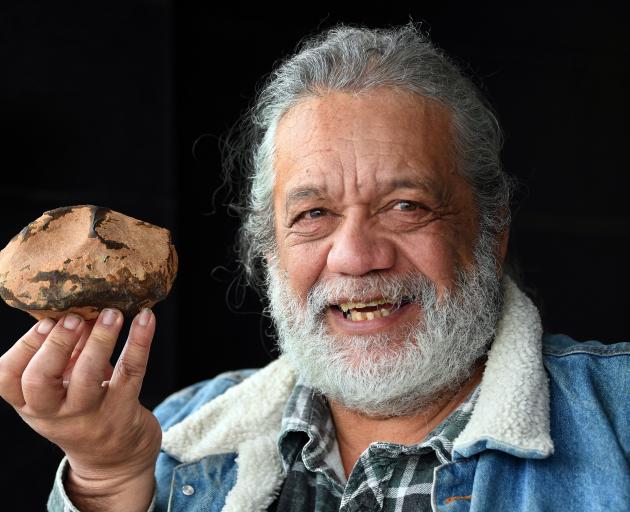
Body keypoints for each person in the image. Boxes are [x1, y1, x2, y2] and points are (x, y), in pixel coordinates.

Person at [1, 23, 629, 512]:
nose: (356, 257)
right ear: (268, 250)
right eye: (313, 214)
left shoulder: (620, 417)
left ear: (490, 233)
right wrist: (110, 482)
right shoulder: (172, 440)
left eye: (406, 207)